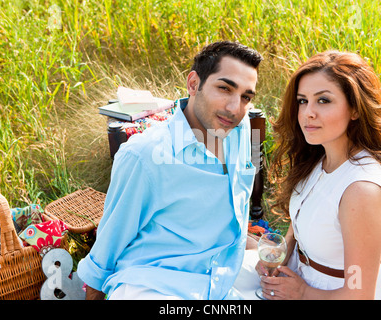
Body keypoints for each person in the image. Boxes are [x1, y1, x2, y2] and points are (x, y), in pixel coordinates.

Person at [77, 41, 263, 300]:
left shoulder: (241, 131)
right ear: (193, 84)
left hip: (224, 273)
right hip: (155, 284)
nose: (235, 108)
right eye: (224, 88)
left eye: (246, 97)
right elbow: (107, 247)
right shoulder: (144, 155)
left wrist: (255, 248)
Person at [252, 50, 381, 299]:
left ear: (355, 109)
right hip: (302, 279)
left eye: (324, 100)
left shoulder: (361, 190)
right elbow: (299, 223)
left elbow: (359, 294)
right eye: (302, 100)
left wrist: (303, 292)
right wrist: (282, 254)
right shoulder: (318, 158)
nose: (308, 112)